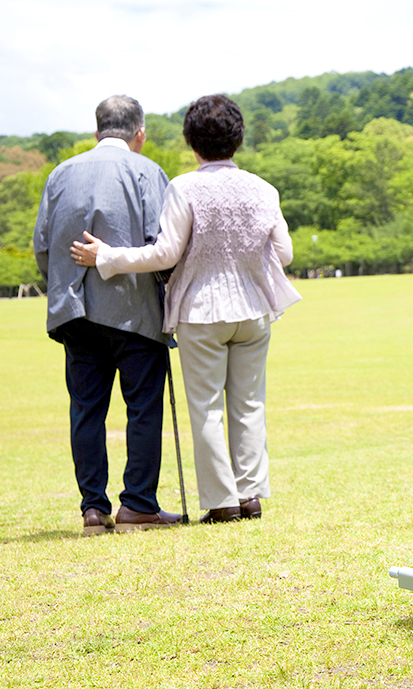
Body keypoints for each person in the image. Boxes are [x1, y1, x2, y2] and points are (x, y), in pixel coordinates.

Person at [71, 94, 302, 524]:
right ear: (239, 138)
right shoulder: (263, 188)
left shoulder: (185, 186)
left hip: (202, 310)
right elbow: (284, 253)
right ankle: (251, 494)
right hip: (253, 309)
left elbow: (165, 253)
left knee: (208, 406)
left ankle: (222, 501)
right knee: (250, 404)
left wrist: (108, 256)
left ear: (192, 142)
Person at [34, 95, 183, 535]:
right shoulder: (147, 171)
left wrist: (65, 283)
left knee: (85, 409)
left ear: (97, 131)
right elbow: (164, 243)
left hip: (75, 309)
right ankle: (137, 505)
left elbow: (43, 247)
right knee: (142, 407)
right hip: (134, 309)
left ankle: (93, 510)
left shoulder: (60, 173)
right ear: (139, 134)